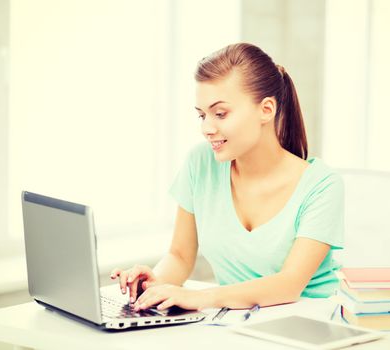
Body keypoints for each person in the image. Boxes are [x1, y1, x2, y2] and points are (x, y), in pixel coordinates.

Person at [111, 43, 344, 312]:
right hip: (236, 324)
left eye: (220, 114)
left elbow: (289, 284)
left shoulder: (322, 185)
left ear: (266, 110)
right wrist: (155, 284)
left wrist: (200, 298)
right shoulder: (200, 163)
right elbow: (180, 256)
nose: (207, 128)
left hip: (312, 321)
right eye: (201, 115)